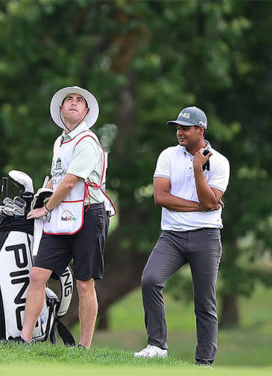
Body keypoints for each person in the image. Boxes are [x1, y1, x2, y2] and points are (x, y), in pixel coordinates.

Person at [16, 86, 115, 348]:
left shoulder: (87, 141)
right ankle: (24, 338)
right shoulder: (60, 142)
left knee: (84, 282)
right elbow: (59, 179)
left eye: (79, 101)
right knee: (38, 274)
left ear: (86, 111)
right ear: (61, 110)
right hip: (61, 214)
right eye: (68, 100)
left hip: (88, 214)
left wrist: (46, 208)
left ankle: (84, 346)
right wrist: (46, 193)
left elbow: (71, 181)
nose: (73, 103)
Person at [133, 106, 230, 366]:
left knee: (204, 300)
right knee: (150, 280)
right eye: (178, 128)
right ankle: (156, 345)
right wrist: (201, 206)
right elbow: (161, 197)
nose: (180, 132)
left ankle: (204, 362)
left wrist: (199, 169)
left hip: (206, 238)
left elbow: (211, 201)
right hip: (172, 236)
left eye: (185, 128)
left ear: (201, 129)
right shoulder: (167, 155)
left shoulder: (219, 162)